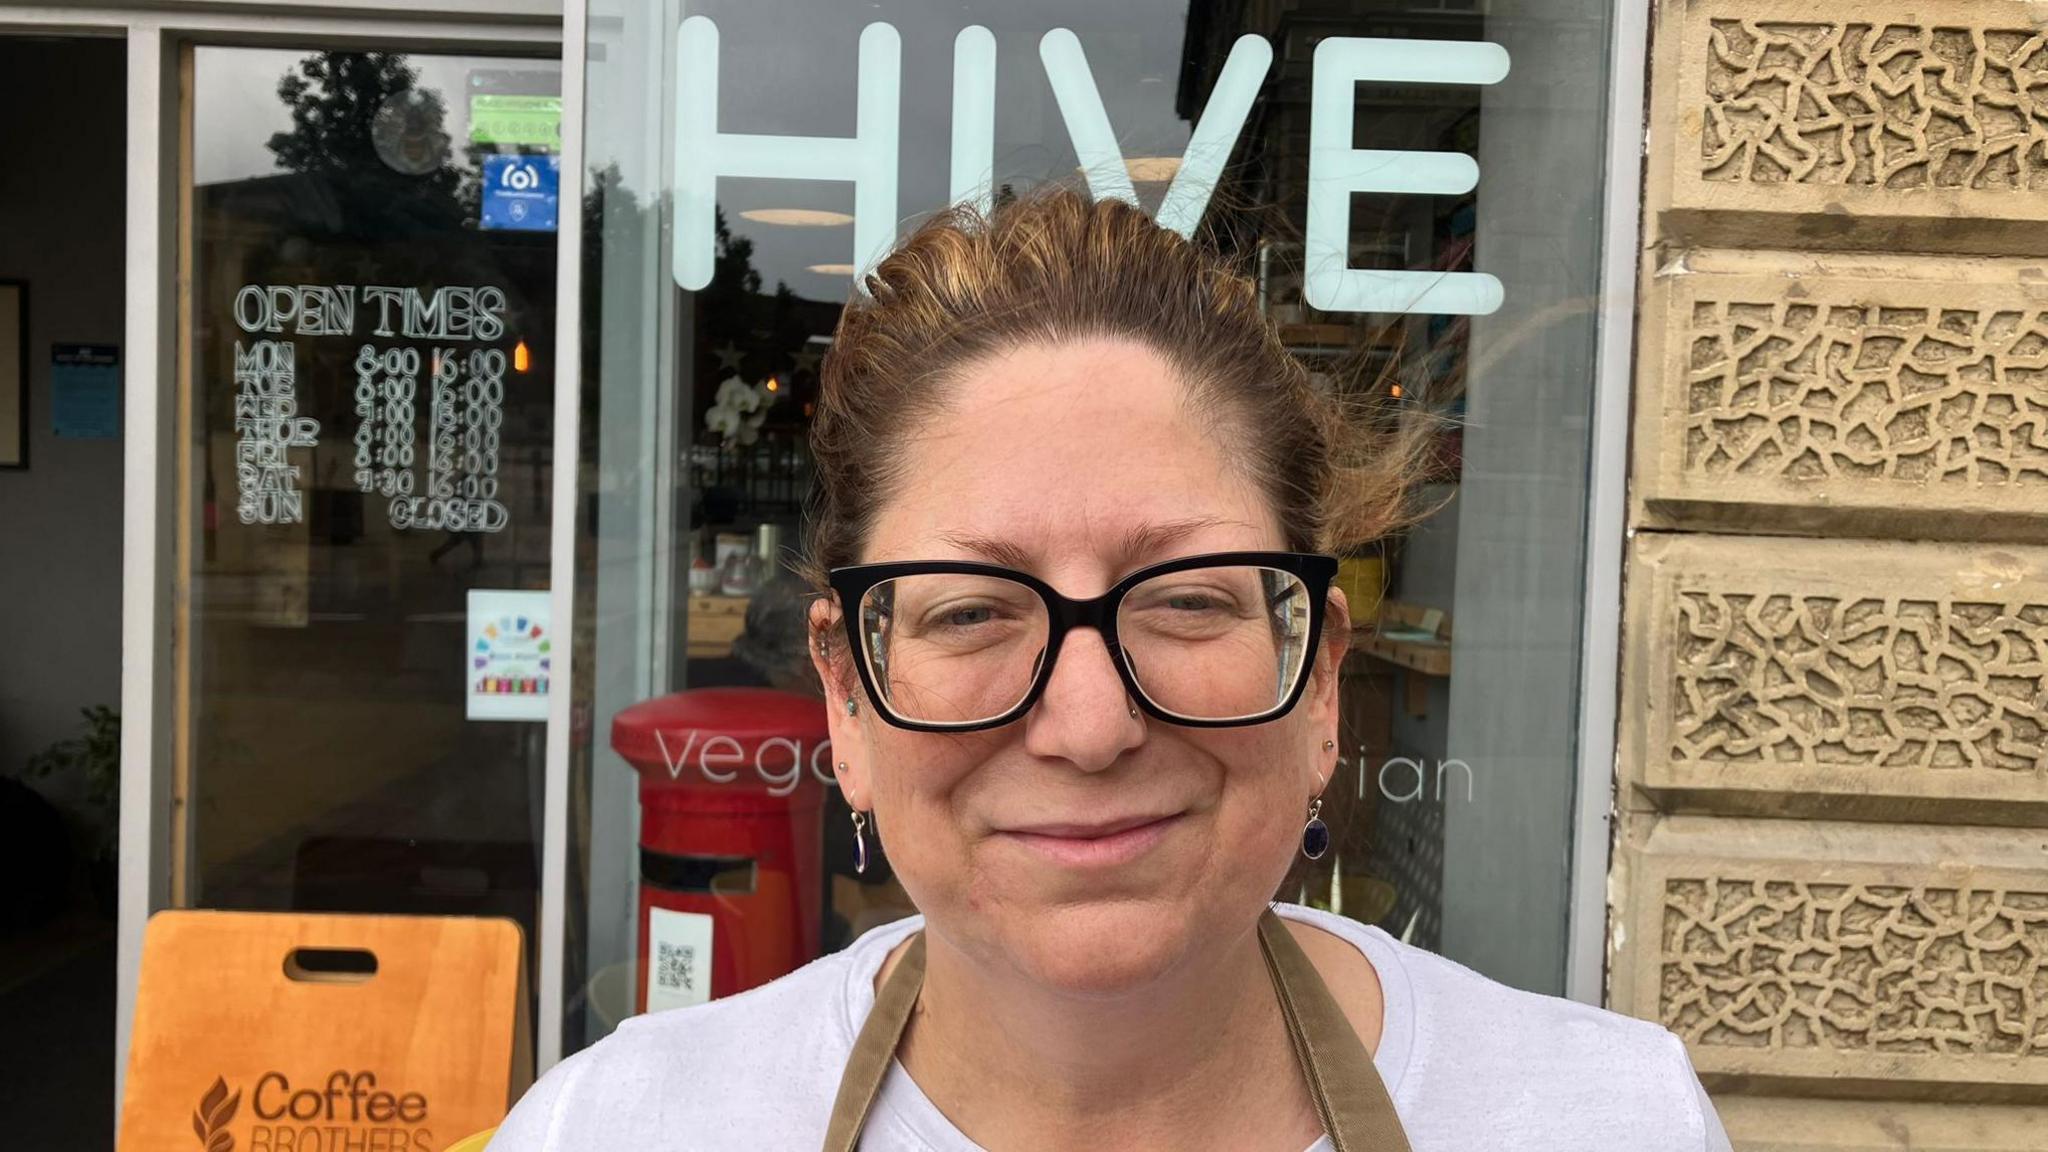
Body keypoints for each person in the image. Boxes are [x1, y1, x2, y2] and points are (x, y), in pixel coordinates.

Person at [491, 190, 1732, 1151]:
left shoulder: (1601, 1120)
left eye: (1187, 600)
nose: (1089, 727)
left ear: (1316, 686)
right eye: (972, 612)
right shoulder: (617, 1128)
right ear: (847, 703)